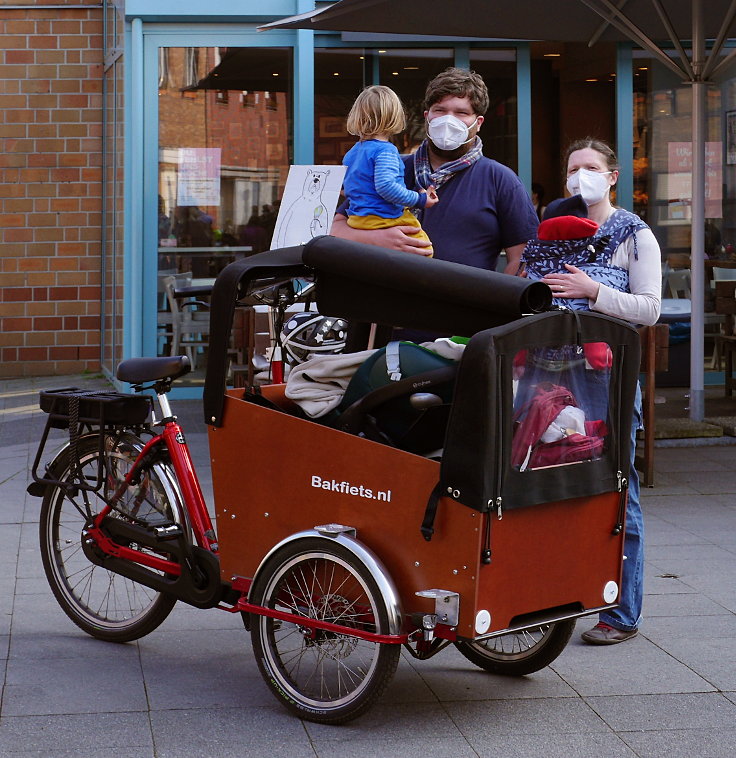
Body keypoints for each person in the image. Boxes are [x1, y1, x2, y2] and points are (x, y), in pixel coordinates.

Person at [521, 137, 661, 645]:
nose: (582, 175)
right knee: (541, 485)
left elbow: (649, 308)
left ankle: (621, 612)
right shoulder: (547, 233)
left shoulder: (634, 235)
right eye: (574, 167)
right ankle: (549, 599)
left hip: (605, 380)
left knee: (616, 490)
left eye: (592, 167)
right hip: (543, 376)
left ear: (612, 176)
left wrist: (593, 291)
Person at [331, 67, 538, 274]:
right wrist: (376, 239)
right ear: (427, 116)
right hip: (387, 299)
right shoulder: (392, 166)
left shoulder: (500, 180)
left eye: (461, 112)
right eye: (440, 110)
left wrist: (496, 300)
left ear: (478, 123)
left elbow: (523, 257)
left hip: (464, 302)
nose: (449, 120)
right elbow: (333, 228)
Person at [342, 85, 439, 252]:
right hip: (383, 218)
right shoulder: (386, 150)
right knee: (425, 251)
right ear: (394, 116)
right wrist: (419, 199)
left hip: (357, 220)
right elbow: (385, 186)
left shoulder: (352, 153)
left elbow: (347, 189)